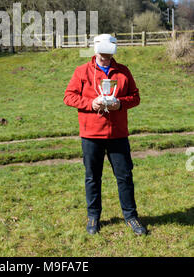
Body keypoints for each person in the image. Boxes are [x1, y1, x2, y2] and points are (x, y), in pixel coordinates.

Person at [63, 34, 147, 236]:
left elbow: (135, 97)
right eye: (103, 54)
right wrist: (90, 104)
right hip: (91, 134)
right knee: (92, 177)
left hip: (118, 134)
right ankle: (93, 216)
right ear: (95, 51)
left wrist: (121, 104)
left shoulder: (124, 71)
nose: (106, 58)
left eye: (109, 55)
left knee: (125, 177)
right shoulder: (82, 71)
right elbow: (69, 96)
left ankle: (131, 216)